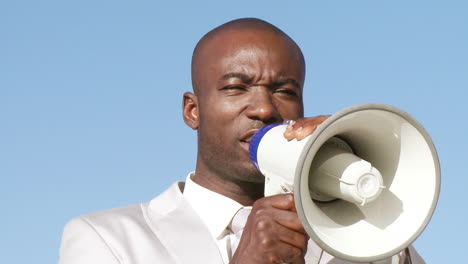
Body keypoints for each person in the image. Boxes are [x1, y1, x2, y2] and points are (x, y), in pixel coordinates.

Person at [59, 18, 424, 264]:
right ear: (192, 111)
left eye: (284, 90)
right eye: (236, 88)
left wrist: (352, 182)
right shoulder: (106, 239)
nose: (265, 109)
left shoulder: (355, 239)